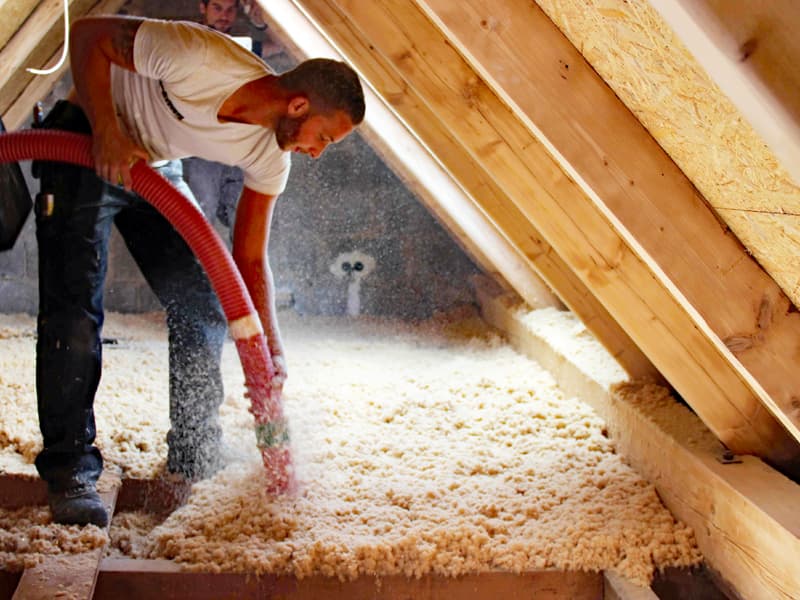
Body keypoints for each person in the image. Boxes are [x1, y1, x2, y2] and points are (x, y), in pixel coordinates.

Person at [33, 14, 364, 527]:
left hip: (153, 161)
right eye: (325, 137)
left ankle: (194, 447)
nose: (318, 152)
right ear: (298, 105)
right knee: (74, 311)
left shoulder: (272, 157)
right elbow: (89, 35)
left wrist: (269, 347)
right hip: (86, 132)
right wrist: (109, 130)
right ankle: (69, 469)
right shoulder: (199, 57)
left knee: (203, 304)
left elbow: (250, 259)